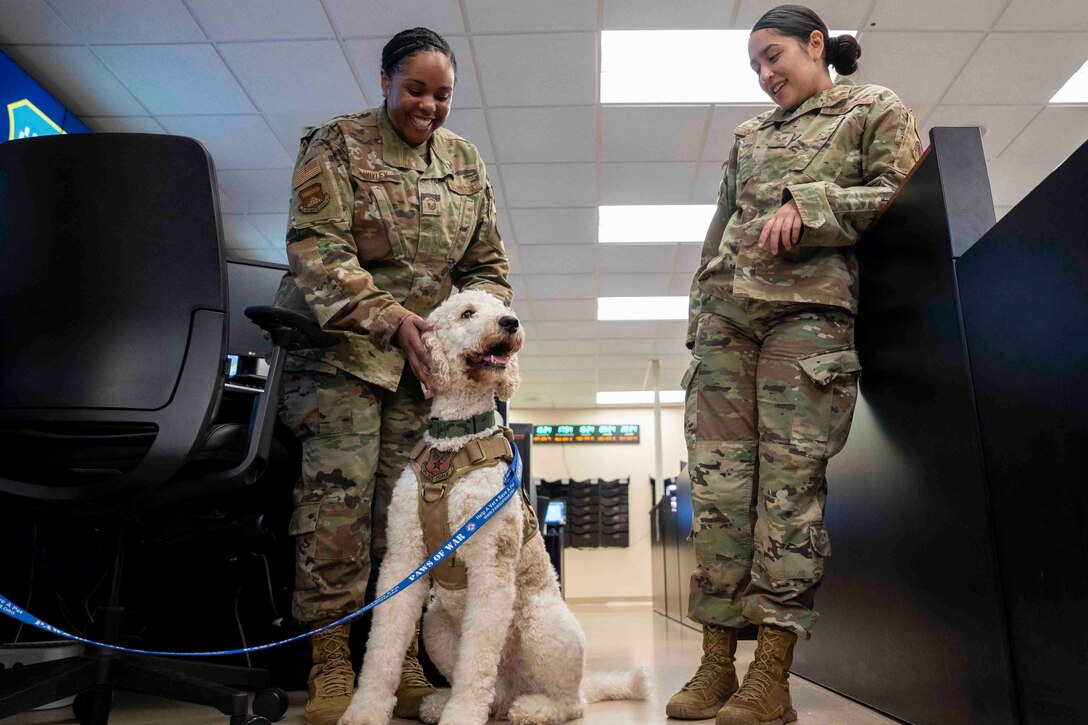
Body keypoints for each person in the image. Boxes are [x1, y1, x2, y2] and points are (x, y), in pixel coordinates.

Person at [669, 5, 921, 724]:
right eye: (754, 65)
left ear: (817, 45)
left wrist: (813, 207)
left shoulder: (871, 108)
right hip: (726, 326)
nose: (765, 74)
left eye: (773, 55)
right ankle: (717, 661)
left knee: (787, 497)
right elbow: (718, 232)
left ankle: (770, 675)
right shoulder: (751, 134)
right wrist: (699, 320)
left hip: (806, 322)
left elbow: (901, 196)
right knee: (717, 496)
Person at [273, 27, 512, 725]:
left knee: (410, 522)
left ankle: (402, 659)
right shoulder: (337, 145)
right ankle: (331, 662)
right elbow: (316, 248)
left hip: (426, 375)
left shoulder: (465, 163)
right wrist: (388, 316)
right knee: (336, 512)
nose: (429, 106)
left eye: (442, 95)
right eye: (415, 89)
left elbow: (486, 266)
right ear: (384, 80)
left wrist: (462, 332)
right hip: (345, 361)